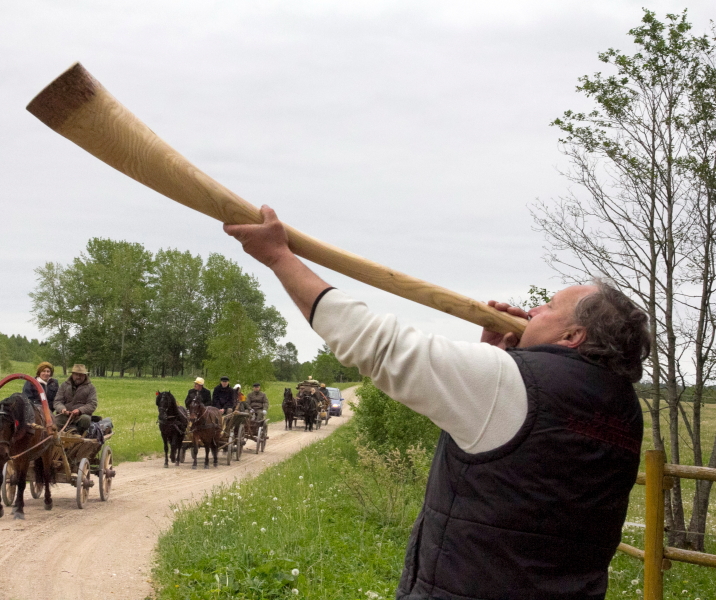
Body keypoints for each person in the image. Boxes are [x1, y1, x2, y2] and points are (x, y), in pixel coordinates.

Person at [224, 206, 650, 600]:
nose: (533, 309)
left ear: (573, 337)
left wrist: (279, 257)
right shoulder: (624, 411)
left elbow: (376, 344)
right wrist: (502, 362)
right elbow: (522, 474)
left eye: (550, 307)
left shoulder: (511, 384)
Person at [53, 363, 97, 435]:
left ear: (85, 375)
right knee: (55, 422)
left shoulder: (91, 387)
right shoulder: (64, 385)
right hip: (64, 415)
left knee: (85, 419)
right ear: (72, 374)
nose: (78, 377)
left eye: (81, 375)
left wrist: (80, 410)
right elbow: (57, 401)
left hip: (81, 417)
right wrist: (62, 409)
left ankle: (78, 435)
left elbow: (92, 404)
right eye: (76, 374)